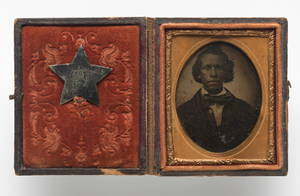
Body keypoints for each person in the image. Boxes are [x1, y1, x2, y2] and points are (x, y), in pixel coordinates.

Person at [177, 44, 259, 153]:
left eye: (219, 68)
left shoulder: (245, 110)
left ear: (226, 72)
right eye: (207, 68)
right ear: (198, 73)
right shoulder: (183, 112)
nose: (213, 74)